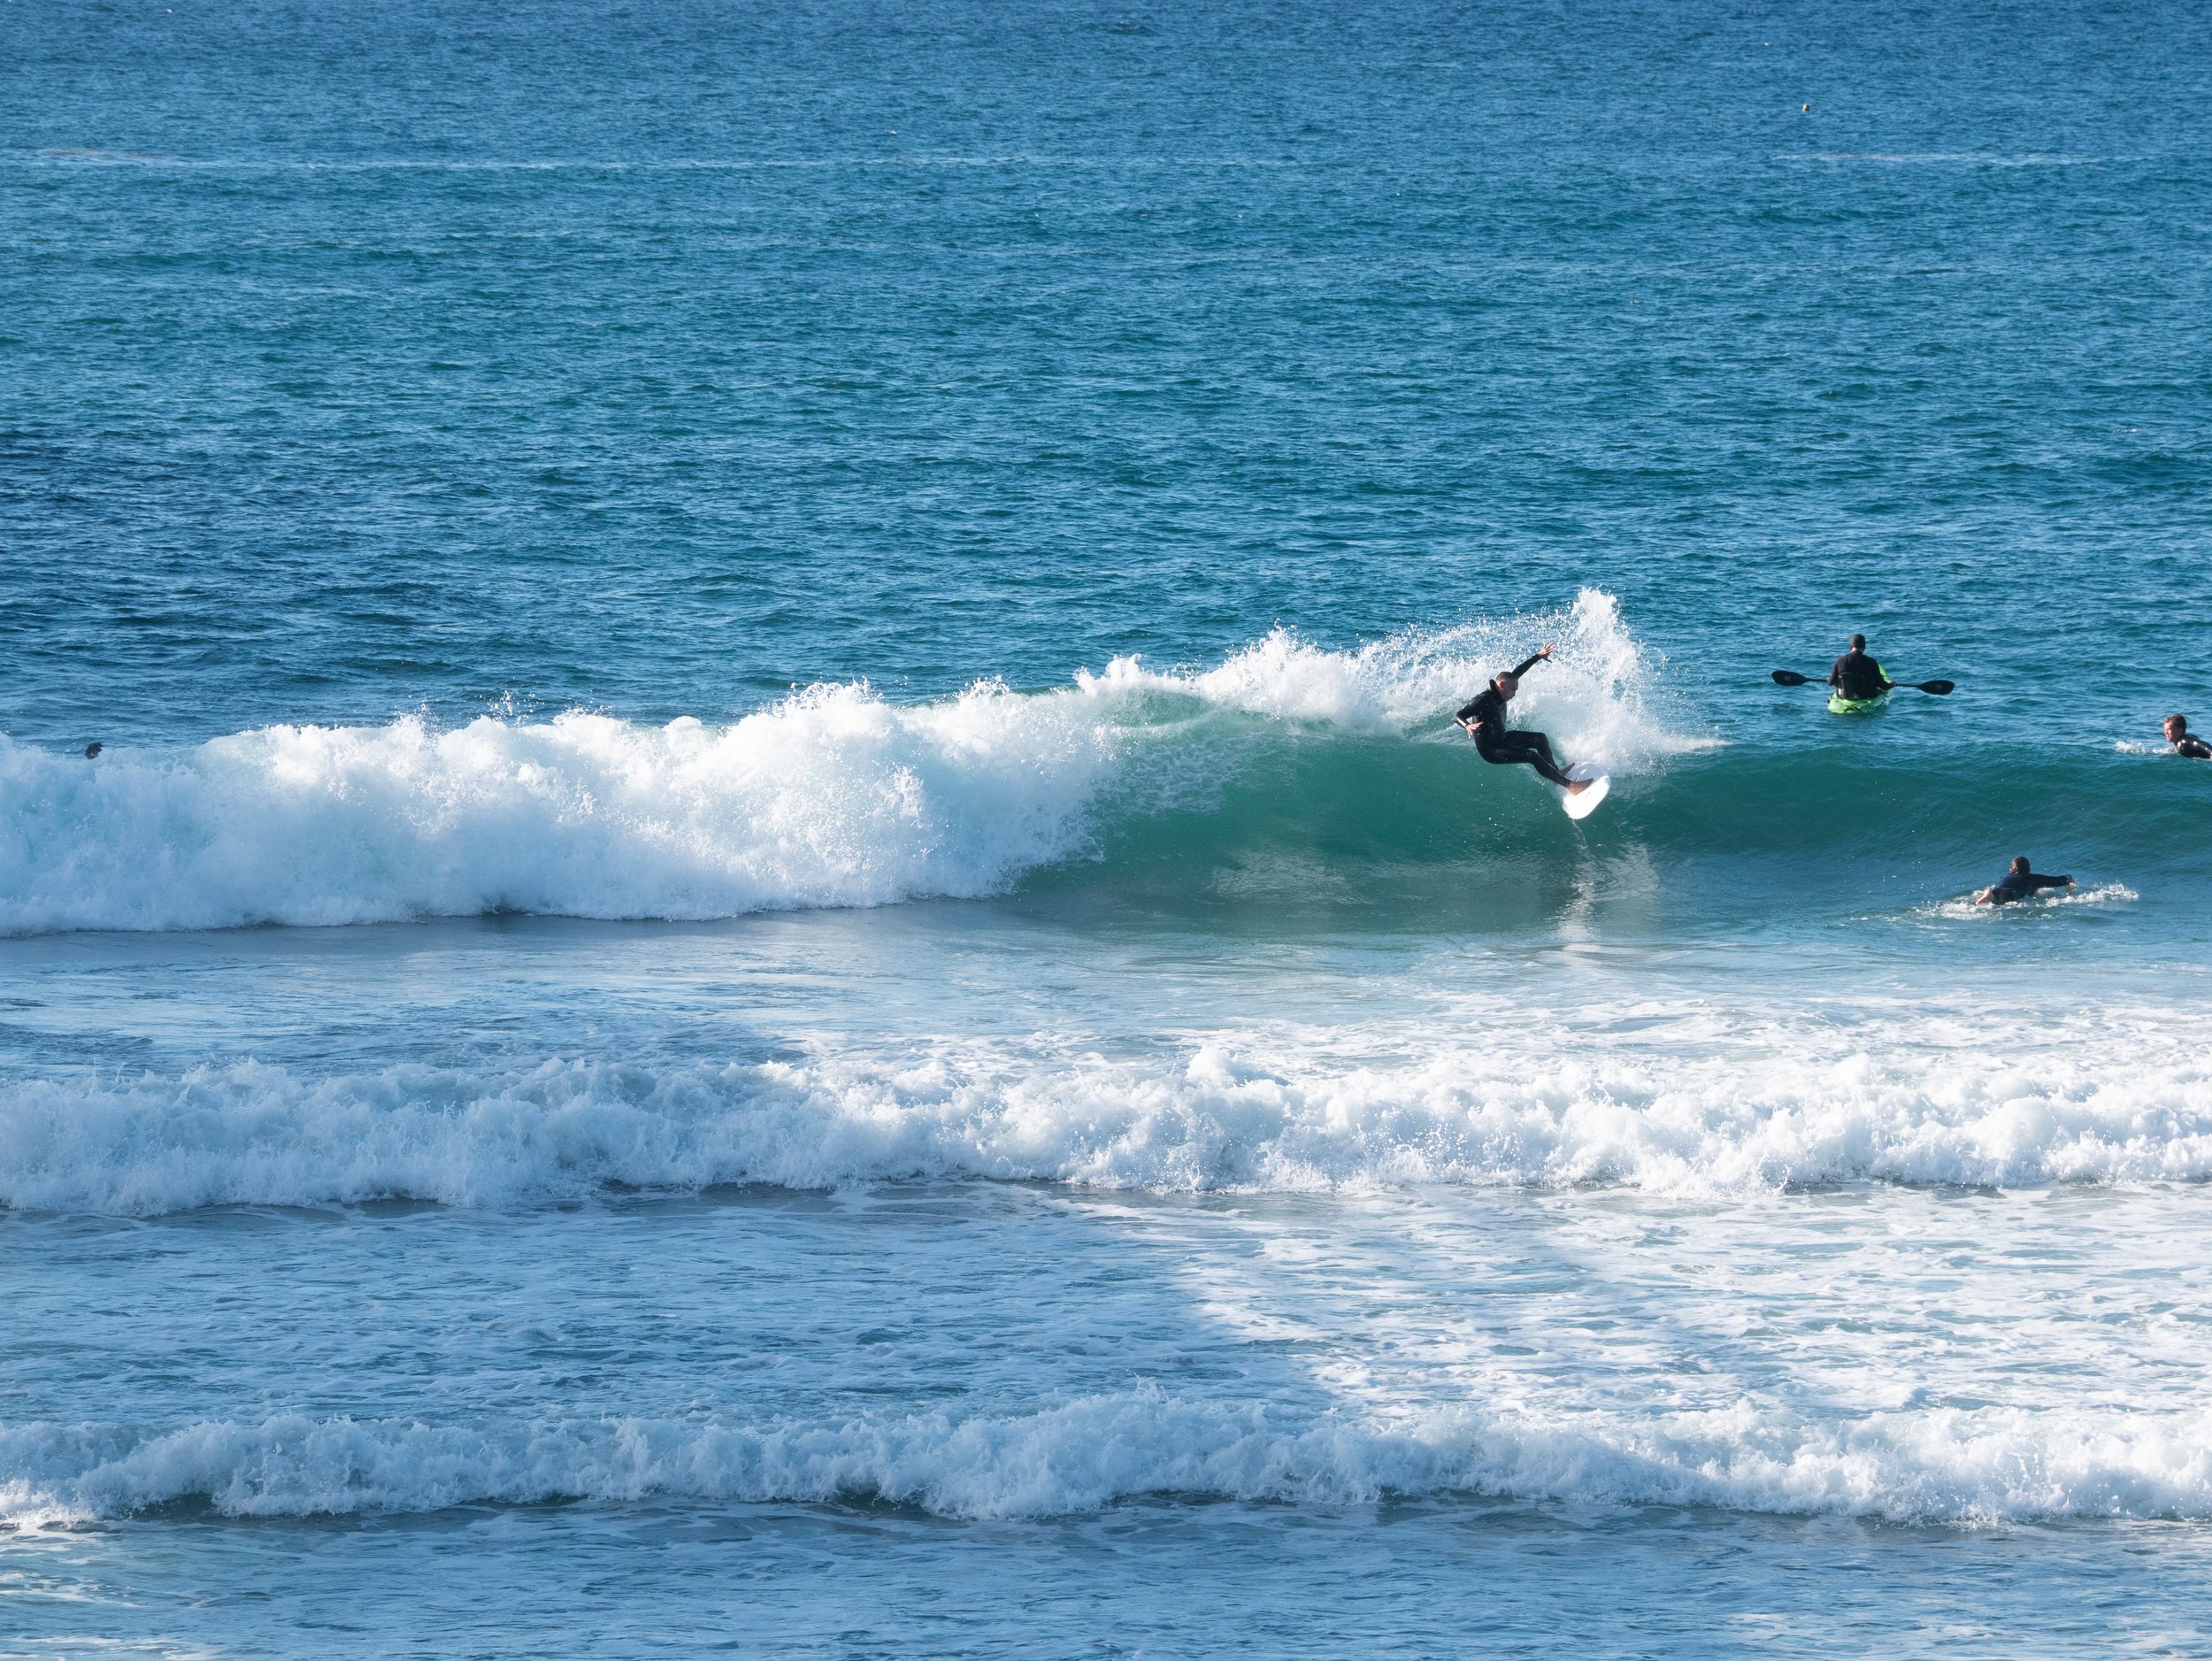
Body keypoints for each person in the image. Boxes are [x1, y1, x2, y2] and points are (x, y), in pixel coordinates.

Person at [1455, 643, 1592, 796]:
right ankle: (1571, 786)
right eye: (1513, 690)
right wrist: (1467, 725)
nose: (1514, 694)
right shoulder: (1482, 700)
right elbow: (1458, 716)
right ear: (1502, 685)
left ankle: (1555, 773)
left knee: (1540, 738)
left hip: (1503, 738)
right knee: (1531, 756)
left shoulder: (1504, 687)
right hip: (1491, 750)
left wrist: (1538, 656)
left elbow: (1519, 671)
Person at [1975, 856, 2075, 906]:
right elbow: (2058, 880)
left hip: (1997, 892)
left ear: (2011, 870)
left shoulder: (2005, 877)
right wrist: (2069, 879)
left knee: (1992, 891)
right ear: (2029, 869)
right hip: (2013, 895)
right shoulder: (2034, 879)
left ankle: (1987, 895)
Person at [1828, 634, 1893, 703]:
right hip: (1867, 697)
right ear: (1864, 647)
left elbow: (1831, 682)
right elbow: (1882, 685)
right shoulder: (1871, 662)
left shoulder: (1840, 660)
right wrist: (1891, 684)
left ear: (1850, 646)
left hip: (1845, 696)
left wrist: (1829, 679)